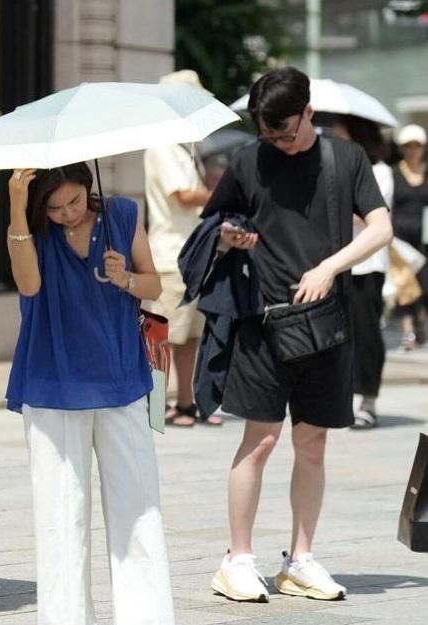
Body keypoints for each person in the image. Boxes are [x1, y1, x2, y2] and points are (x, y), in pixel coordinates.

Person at [201, 67, 391, 602]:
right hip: (263, 324)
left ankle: (299, 559)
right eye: (268, 135)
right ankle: (237, 560)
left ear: (309, 112)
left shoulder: (345, 160)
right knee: (258, 441)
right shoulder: (247, 160)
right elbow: (214, 226)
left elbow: (380, 227)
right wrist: (230, 238)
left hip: (326, 323)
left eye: (286, 133)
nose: (278, 144)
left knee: (312, 445)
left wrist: (329, 266)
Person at [4, 163, 175, 625]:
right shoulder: (31, 229)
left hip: (121, 379)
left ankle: (148, 617)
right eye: (54, 207)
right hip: (51, 381)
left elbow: (154, 285)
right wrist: (18, 209)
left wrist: (127, 280)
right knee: (62, 517)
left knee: (138, 508)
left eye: (74, 202)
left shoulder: (122, 214)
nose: (67, 214)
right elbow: (29, 285)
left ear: (89, 188)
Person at [143, 70, 218, 426]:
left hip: (189, 254)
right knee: (163, 335)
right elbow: (184, 196)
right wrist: (219, 192)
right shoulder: (162, 143)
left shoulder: (182, 146)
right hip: (171, 255)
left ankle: (185, 404)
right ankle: (155, 407)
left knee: (187, 337)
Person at [330, 114, 394, 429]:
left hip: (368, 265)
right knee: (342, 335)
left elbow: (372, 217)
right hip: (339, 264)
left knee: (368, 334)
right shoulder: (336, 169)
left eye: (340, 131)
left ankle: (368, 399)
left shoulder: (381, 172)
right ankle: (345, 396)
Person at [391, 124, 428, 351]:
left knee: (423, 286)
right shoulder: (393, 173)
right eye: (408, 147)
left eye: (417, 147)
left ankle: (421, 322)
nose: (413, 151)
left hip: (424, 240)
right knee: (404, 285)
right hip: (400, 239)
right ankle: (408, 332)